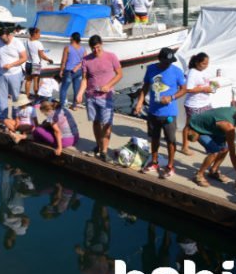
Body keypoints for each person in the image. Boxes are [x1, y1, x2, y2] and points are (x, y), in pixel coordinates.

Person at [133, 48, 187, 179]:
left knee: (170, 140)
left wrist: (171, 98)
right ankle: (154, 162)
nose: (167, 64)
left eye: (169, 62)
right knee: (154, 138)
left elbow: (184, 89)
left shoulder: (177, 71)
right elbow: (145, 86)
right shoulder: (151, 68)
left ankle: (170, 166)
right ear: (159, 59)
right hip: (153, 112)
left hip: (169, 114)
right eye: (165, 61)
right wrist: (140, 102)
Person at [76, 35, 122, 161]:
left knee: (107, 123)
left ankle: (104, 151)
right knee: (96, 122)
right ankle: (98, 145)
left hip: (106, 97)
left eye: (97, 47)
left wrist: (108, 85)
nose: (96, 50)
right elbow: (85, 79)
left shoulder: (111, 56)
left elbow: (119, 74)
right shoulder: (86, 60)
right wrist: (80, 93)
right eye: (93, 48)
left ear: (101, 44)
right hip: (91, 96)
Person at [186, 106, 236, 188]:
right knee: (214, 152)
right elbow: (233, 154)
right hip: (196, 128)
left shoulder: (235, 110)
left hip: (211, 128)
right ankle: (199, 175)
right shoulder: (229, 127)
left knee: (225, 148)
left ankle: (213, 170)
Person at [181, 52, 214, 155]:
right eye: (203, 63)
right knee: (190, 126)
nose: (205, 66)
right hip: (194, 104)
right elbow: (189, 89)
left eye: (207, 63)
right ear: (197, 62)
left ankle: (208, 146)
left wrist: (213, 86)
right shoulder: (192, 72)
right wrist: (204, 89)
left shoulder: (204, 72)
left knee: (207, 125)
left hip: (205, 103)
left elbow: (206, 83)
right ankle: (185, 146)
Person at [0, 27, 27, 120]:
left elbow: (24, 58)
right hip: (1, 73)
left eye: (4, 39)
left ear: (9, 35)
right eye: (1, 39)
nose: (3, 41)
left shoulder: (17, 43)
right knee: (2, 96)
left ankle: (15, 117)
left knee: (15, 97)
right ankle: (3, 117)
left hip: (15, 73)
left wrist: (11, 65)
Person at [59, 32, 85, 110]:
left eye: (71, 37)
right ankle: (74, 106)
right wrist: (78, 66)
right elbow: (85, 60)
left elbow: (64, 61)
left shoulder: (67, 48)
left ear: (72, 38)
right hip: (79, 71)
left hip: (69, 71)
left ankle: (63, 106)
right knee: (76, 89)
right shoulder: (83, 49)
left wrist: (61, 70)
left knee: (63, 89)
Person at [24, 27, 53, 97]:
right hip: (36, 63)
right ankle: (36, 95)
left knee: (28, 80)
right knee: (36, 81)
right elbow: (42, 55)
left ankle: (27, 95)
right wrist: (49, 60)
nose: (40, 35)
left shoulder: (26, 42)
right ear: (34, 34)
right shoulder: (38, 43)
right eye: (39, 33)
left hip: (28, 63)